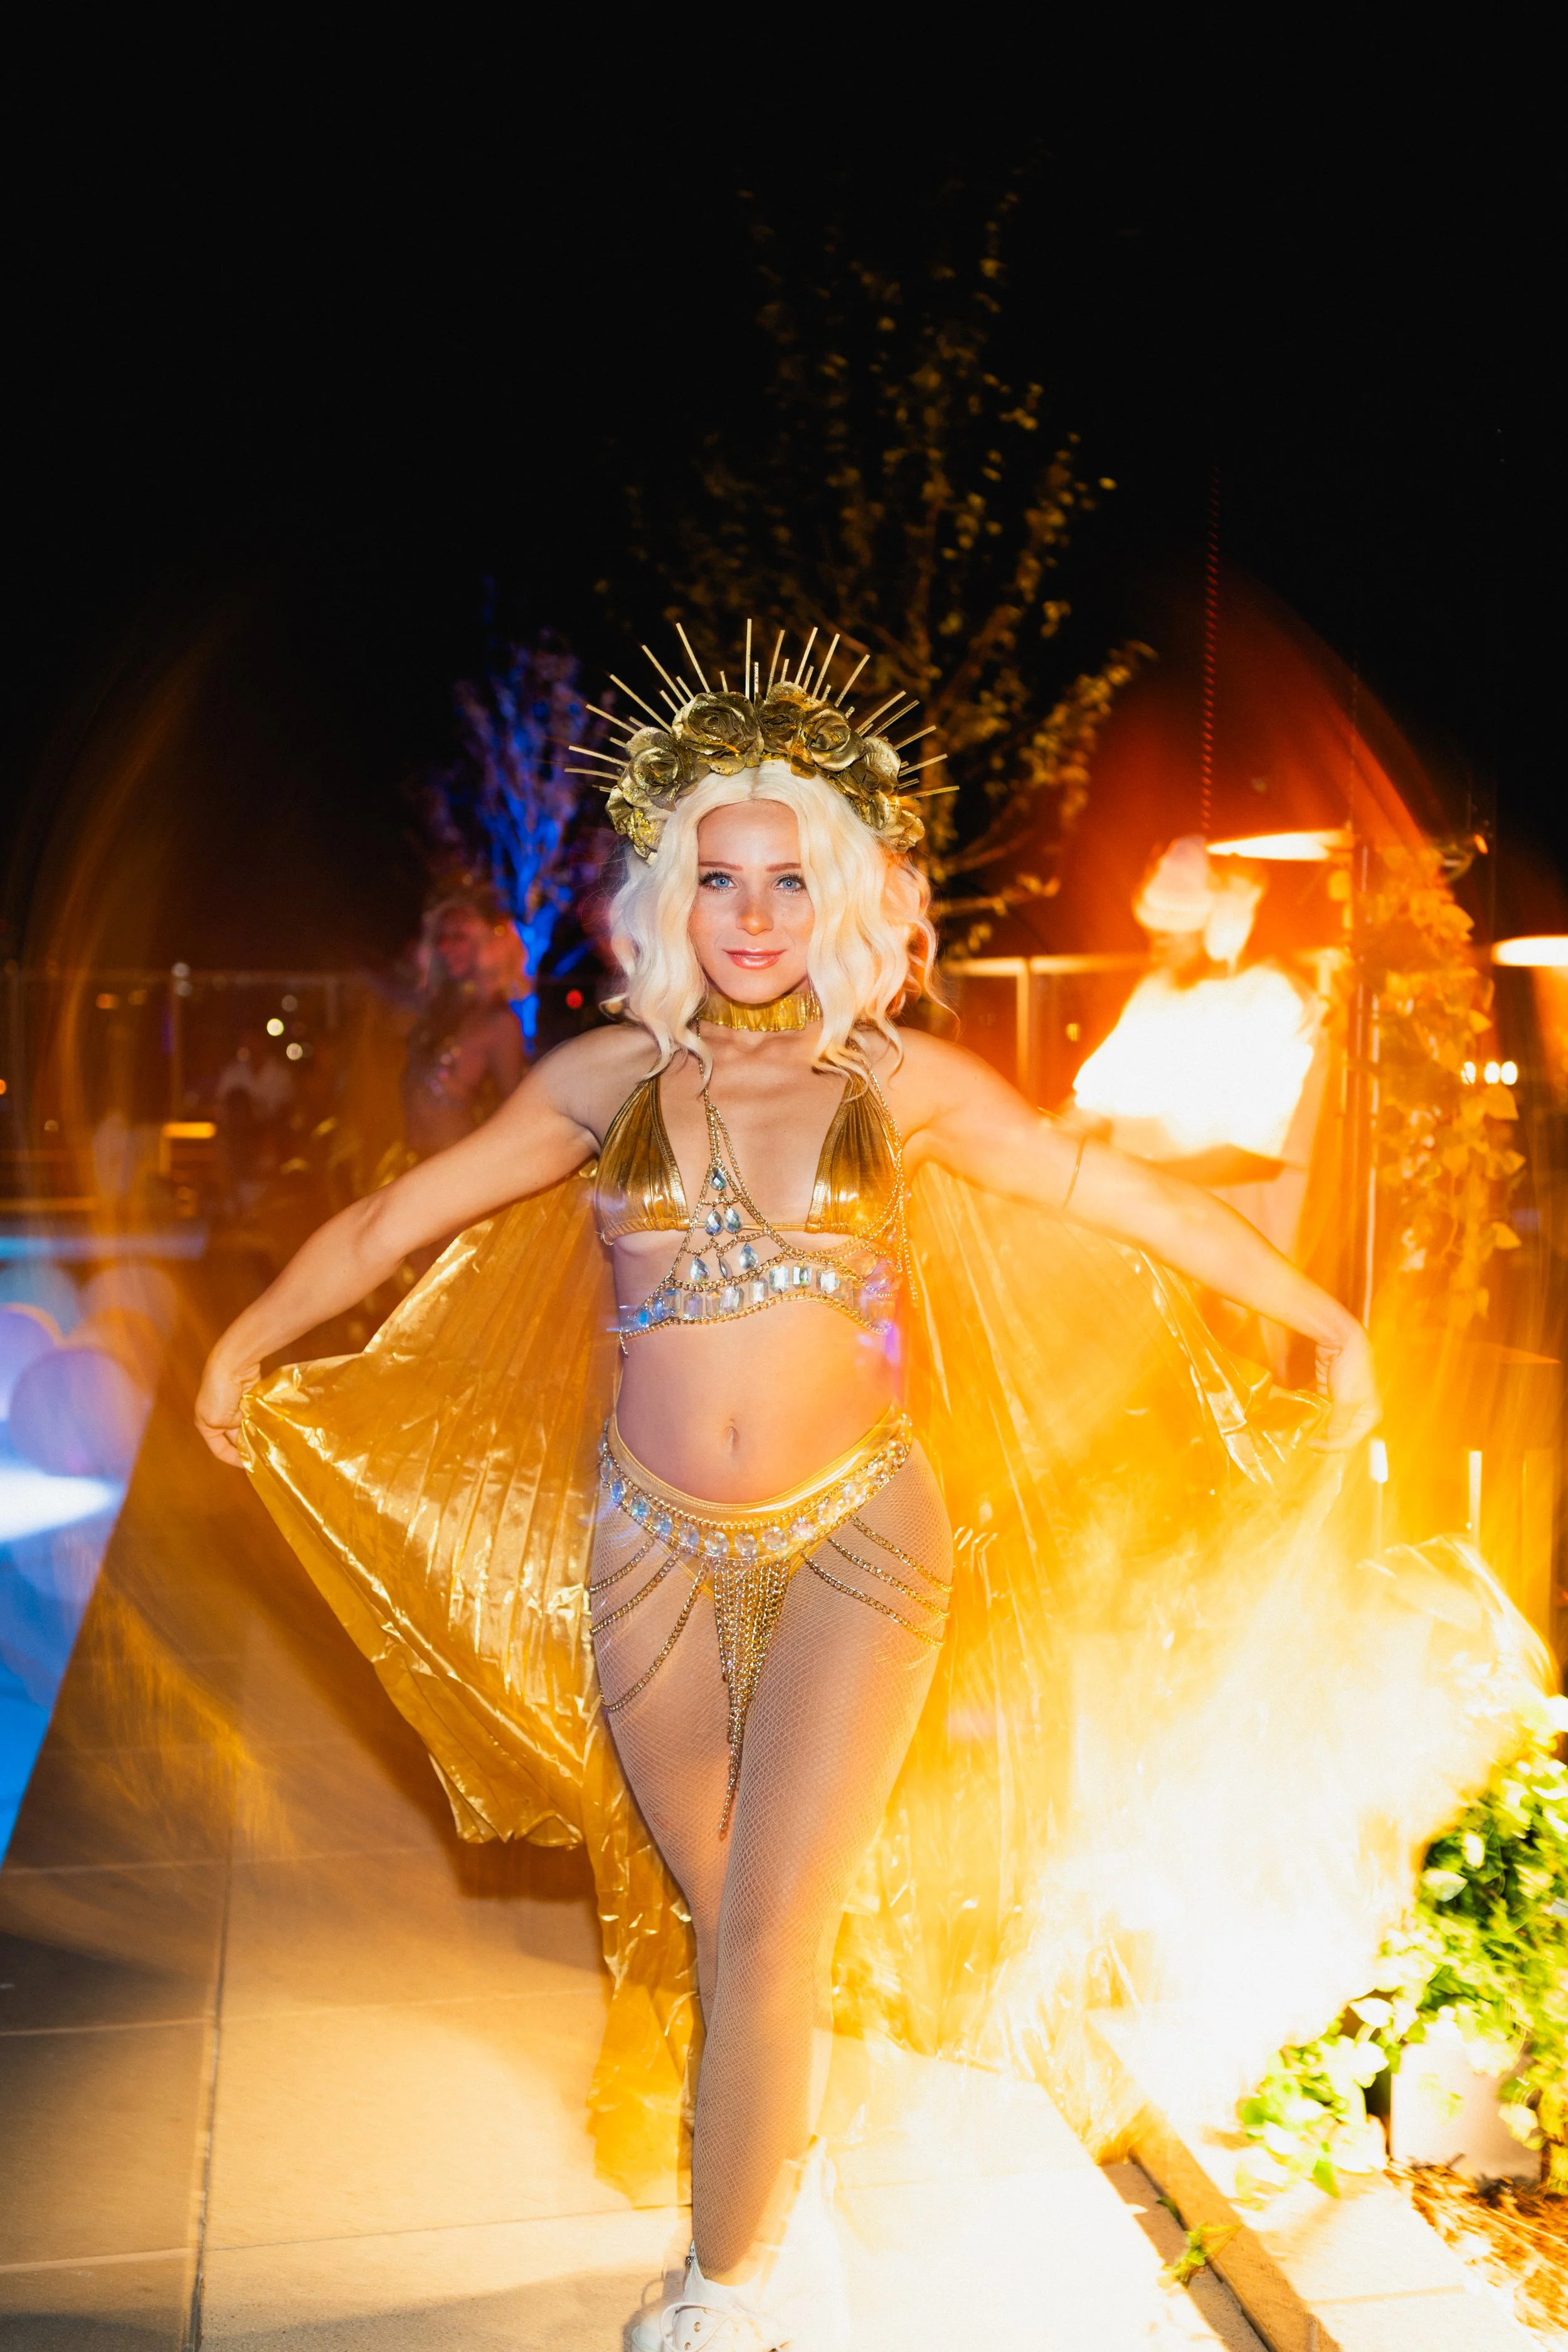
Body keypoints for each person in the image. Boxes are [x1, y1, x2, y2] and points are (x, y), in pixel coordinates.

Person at [196, 637, 1498, 2352]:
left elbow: (1119, 1194)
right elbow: (390, 1222)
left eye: (788, 878)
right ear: (670, 895)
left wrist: (1319, 1315)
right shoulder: (601, 1083)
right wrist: (245, 1343)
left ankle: (723, 2287)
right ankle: (782, 2189)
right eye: (719, 877)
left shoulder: (903, 1085)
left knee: (769, 1915)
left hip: (858, 1544)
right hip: (645, 1549)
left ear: (841, 894)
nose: (752, 914)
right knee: (728, 1910)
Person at [401, 893, 528, 1160]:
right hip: (412, 1159)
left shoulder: (500, 1023)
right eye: (442, 937)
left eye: (459, 936)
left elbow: (517, 1115)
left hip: (458, 1167)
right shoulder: (439, 1013)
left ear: (487, 944)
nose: (445, 946)